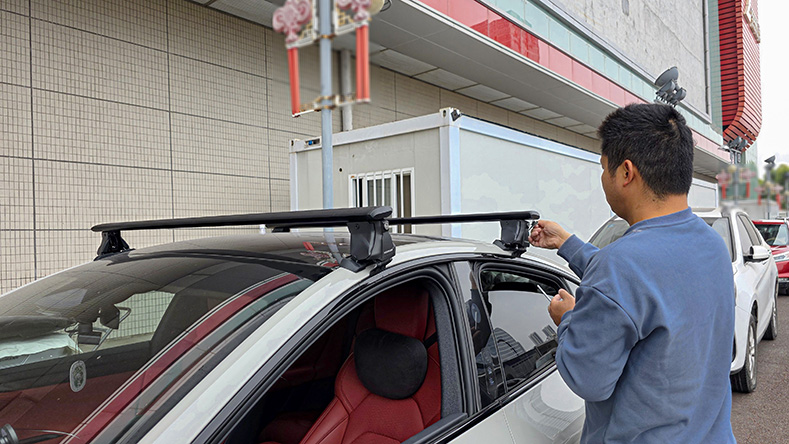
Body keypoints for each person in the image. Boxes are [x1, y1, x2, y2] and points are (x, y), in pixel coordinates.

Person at [528, 103, 736, 443]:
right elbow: (645, 283)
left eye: (603, 168)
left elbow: (587, 380)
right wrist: (567, 243)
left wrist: (567, 319)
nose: (602, 178)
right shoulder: (711, 244)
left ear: (626, 173)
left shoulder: (621, 266)